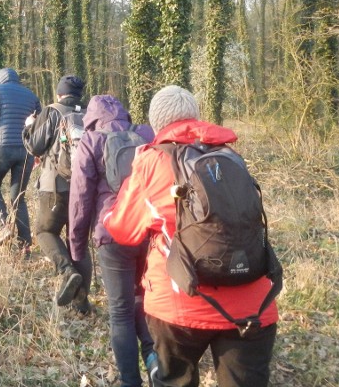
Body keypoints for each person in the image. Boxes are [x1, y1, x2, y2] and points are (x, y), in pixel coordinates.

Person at [104, 85, 279, 387]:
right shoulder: (231, 156)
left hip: (181, 304)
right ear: (197, 117)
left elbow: (123, 230)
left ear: (156, 124)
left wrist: (108, 211)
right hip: (253, 305)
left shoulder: (151, 161)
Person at [69, 94, 157, 386]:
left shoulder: (91, 140)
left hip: (113, 234)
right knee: (146, 301)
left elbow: (80, 199)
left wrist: (77, 246)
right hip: (148, 229)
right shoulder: (145, 133)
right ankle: (158, 366)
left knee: (120, 311)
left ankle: (131, 381)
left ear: (91, 117)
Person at [22, 74, 90, 312]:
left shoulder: (52, 112)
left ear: (60, 93)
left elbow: (35, 146)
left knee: (44, 231)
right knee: (77, 241)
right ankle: (82, 304)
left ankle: (66, 270)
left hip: (56, 185)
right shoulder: (90, 112)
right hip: (86, 188)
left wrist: (29, 127)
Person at [0, 67, 41, 256]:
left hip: (2, 147)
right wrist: (35, 146)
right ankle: (25, 247)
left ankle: (4, 225)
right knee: (18, 197)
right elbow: (42, 122)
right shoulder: (31, 95)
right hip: (26, 150)